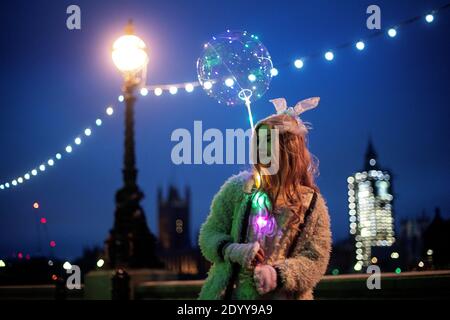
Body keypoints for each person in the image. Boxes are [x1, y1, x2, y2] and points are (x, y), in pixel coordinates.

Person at [198, 97, 331, 300]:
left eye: (268, 142)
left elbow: (316, 259)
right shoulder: (237, 189)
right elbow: (208, 234)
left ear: (289, 151)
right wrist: (232, 250)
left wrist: (278, 274)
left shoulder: (312, 204)